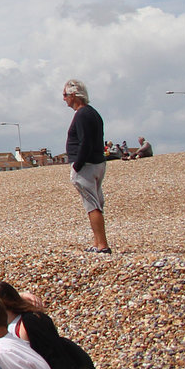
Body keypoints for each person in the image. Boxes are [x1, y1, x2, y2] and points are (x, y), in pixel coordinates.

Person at [63, 78, 112, 252]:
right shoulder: (92, 113)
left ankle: (102, 245)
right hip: (97, 163)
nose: (64, 99)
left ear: (74, 95)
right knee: (96, 203)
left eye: (65, 95)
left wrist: (77, 165)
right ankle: (98, 243)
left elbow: (86, 142)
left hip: (87, 165)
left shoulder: (82, 114)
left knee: (92, 205)